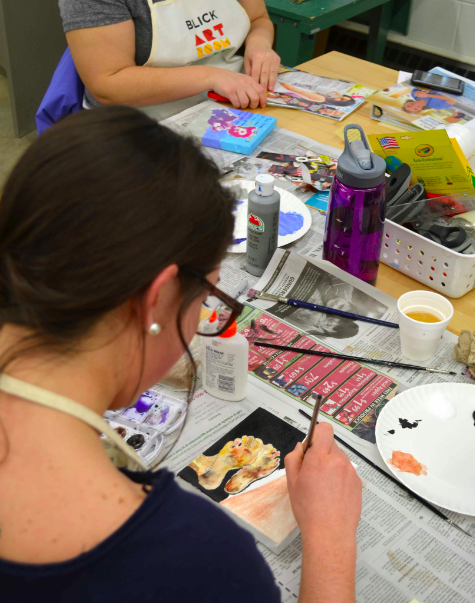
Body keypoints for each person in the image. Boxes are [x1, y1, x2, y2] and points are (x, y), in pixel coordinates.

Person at [0, 107, 361, 603]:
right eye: (208, 297)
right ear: (157, 297)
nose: (200, 325)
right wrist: (331, 539)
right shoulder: (195, 561)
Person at [59, 0, 280, 121]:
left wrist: (259, 45)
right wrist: (211, 77)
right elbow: (107, 84)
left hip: (227, 108)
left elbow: (258, 18)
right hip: (138, 128)